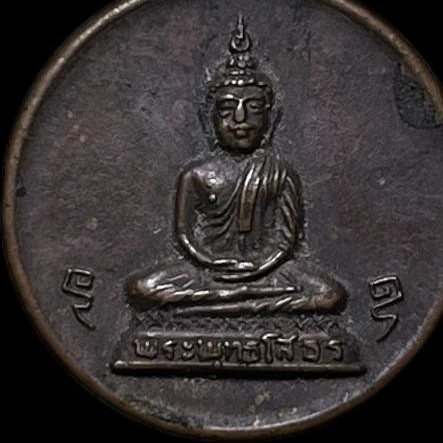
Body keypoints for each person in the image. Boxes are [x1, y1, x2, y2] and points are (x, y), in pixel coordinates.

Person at [127, 16, 347, 317]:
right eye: (227, 109)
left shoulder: (280, 172)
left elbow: (286, 241)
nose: (240, 120)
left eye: (253, 109)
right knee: (141, 289)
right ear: (209, 119)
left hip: (269, 271)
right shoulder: (196, 174)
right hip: (209, 270)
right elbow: (185, 236)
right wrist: (212, 263)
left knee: (331, 295)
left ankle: (214, 306)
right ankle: (244, 302)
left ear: (270, 119)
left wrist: (259, 267)